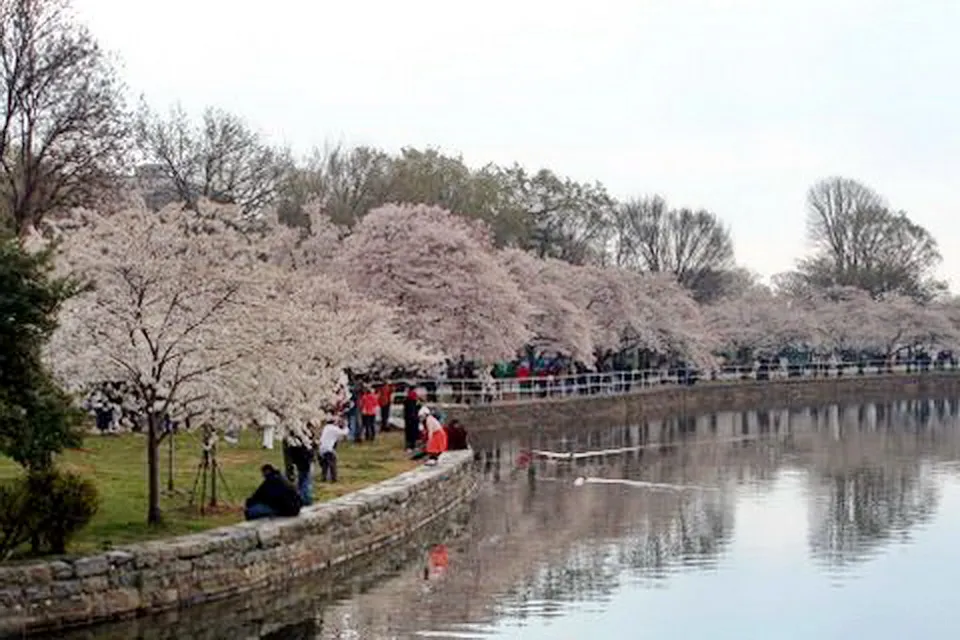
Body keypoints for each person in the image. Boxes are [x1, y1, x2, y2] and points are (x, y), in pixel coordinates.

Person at [284, 421, 315, 506]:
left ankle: (300, 498)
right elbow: (310, 447)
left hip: (298, 460)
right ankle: (306, 499)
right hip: (305, 460)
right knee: (306, 481)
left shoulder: (291, 436)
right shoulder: (304, 435)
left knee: (301, 481)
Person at [318, 416, 350, 482]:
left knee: (325, 464)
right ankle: (334, 478)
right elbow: (344, 432)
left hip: (321, 448)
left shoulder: (326, 427)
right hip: (328, 448)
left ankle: (323, 477)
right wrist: (346, 426)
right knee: (333, 463)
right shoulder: (334, 429)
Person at [403, 386, 421, 451]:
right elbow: (419, 407)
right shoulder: (416, 399)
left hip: (408, 418)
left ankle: (408, 446)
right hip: (414, 418)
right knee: (414, 432)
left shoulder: (406, 399)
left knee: (408, 432)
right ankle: (413, 446)